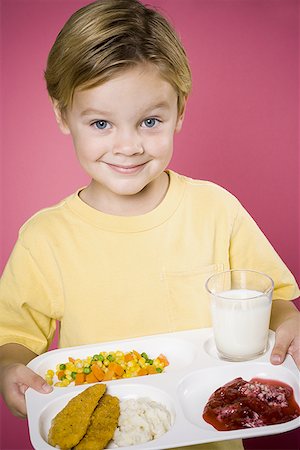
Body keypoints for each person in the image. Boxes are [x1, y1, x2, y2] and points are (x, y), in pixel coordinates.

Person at [0, 1, 299, 449]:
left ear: (180, 111)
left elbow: (273, 301)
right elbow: (14, 339)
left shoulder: (215, 210)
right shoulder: (46, 238)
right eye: (101, 122)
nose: (128, 145)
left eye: (149, 121)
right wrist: (10, 368)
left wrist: (290, 323)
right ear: (63, 116)